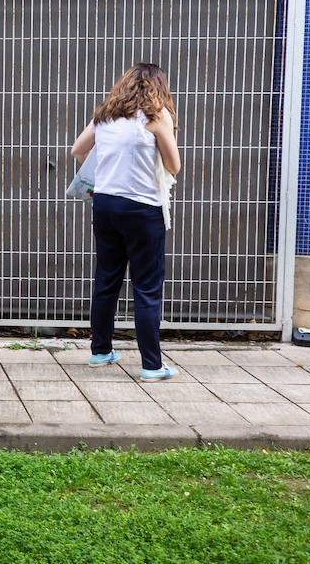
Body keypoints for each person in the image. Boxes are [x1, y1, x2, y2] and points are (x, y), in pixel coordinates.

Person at [71, 63, 182, 382]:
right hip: (142, 208)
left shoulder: (105, 115)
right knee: (147, 286)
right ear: (158, 87)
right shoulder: (156, 115)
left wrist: (111, 163)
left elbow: (78, 151)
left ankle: (100, 350)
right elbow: (174, 166)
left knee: (107, 278)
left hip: (105, 204)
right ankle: (151, 365)